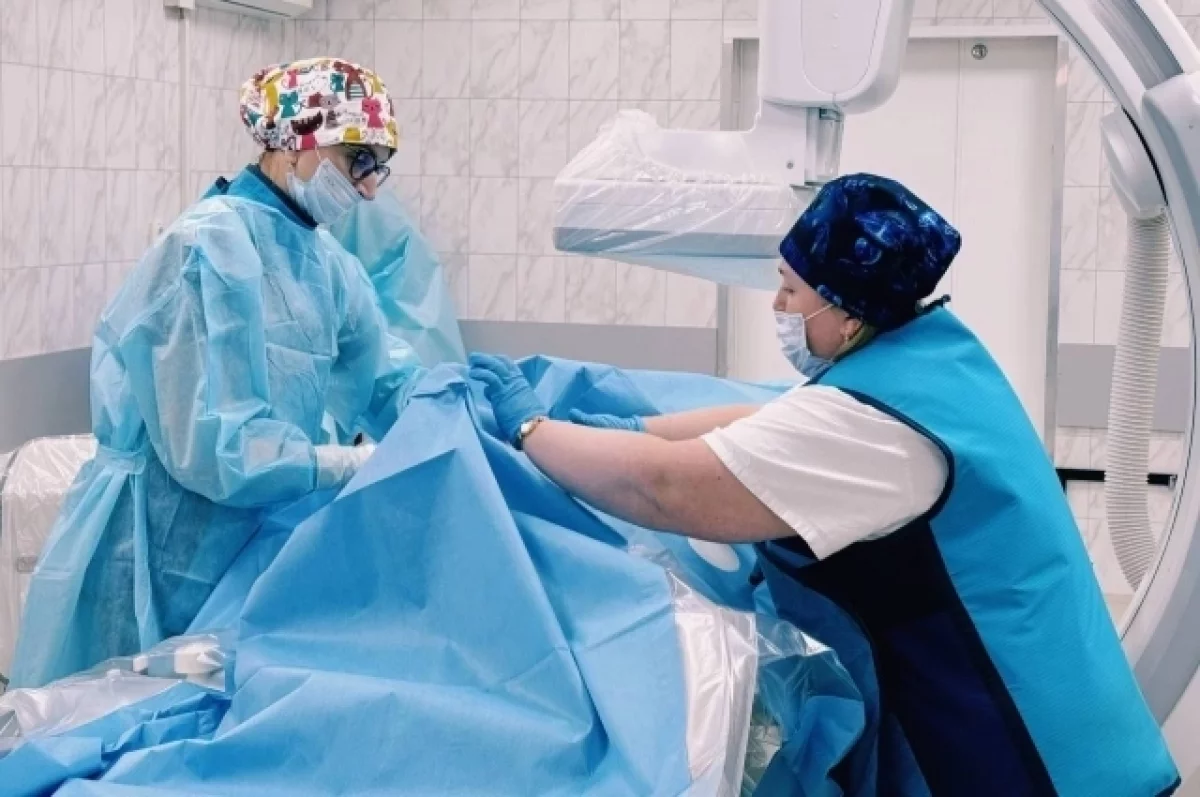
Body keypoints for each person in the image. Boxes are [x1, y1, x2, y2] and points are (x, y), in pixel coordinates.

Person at [470, 174, 1179, 795]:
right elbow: (774, 421)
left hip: (1028, 757)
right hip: (1077, 720)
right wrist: (633, 429)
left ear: (846, 310)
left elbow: (667, 491)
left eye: (790, 290)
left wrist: (534, 432)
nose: (777, 304)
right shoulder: (929, 355)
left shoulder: (874, 428)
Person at [12, 58, 423, 688]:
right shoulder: (205, 249)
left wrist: (466, 412)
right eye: (357, 161)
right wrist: (347, 463)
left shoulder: (327, 265)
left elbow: (384, 376)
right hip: (155, 547)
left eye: (378, 168)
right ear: (295, 142)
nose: (368, 189)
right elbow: (218, 450)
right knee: (117, 711)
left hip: (245, 541)